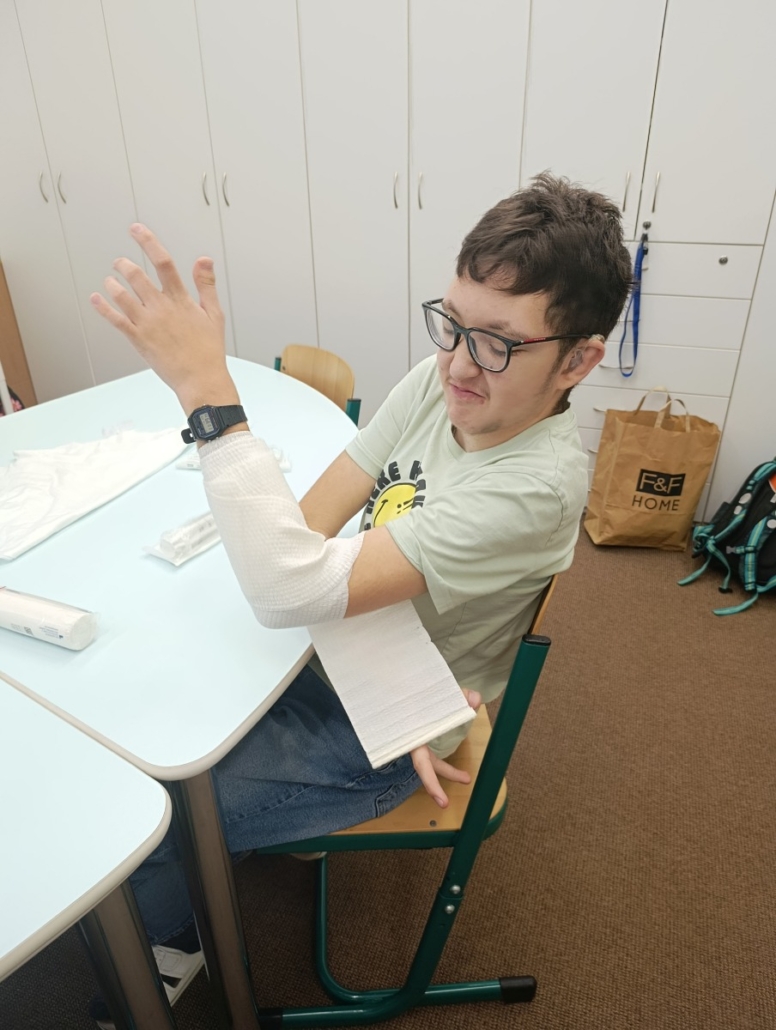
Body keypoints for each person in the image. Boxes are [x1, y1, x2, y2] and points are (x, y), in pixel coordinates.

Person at [88, 172, 632, 1024]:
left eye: (499, 343)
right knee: (140, 703)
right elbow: (310, 528)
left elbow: (287, 580)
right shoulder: (441, 381)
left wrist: (208, 395)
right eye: (453, 323)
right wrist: (304, 575)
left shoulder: (534, 488)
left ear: (579, 360)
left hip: (386, 729)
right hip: (342, 653)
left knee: (145, 811)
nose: (459, 363)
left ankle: (168, 941)